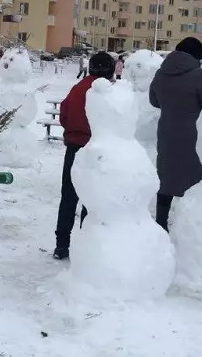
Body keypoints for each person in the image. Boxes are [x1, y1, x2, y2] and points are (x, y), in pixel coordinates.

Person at [149, 37, 202, 232]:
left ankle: (161, 222)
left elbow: (154, 100)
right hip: (192, 136)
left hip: (167, 133)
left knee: (166, 177)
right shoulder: (198, 75)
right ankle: (191, 226)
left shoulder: (161, 73)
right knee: (195, 181)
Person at [54, 51, 115, 259]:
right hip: (98, 153)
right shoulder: (109, 94)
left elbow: (64, 114)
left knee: (68, 198)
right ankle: (86, 246)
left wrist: (72, 132)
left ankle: (61, 245)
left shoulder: (78, 88)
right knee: (93, 200)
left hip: (74, 150)